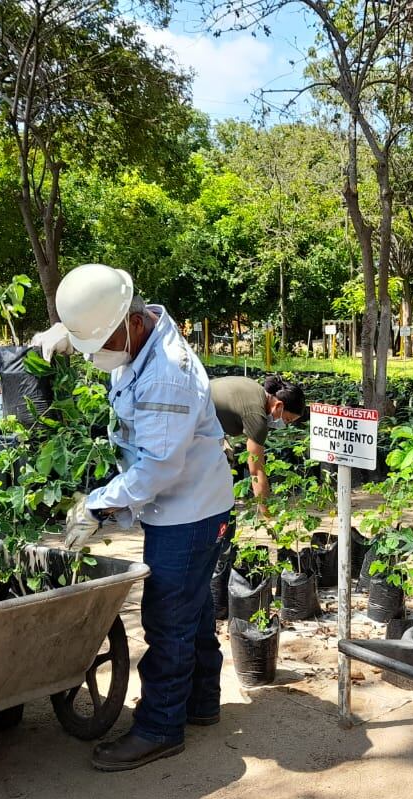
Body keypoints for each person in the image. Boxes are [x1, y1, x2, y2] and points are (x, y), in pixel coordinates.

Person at [32, 264, 235, 770]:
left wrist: (99, 502)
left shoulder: (168, 374)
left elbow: (157, 469)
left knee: (168, 616)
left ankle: (160, 727)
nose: (95, 355)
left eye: (98, 342)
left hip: (185, 510)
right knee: (194, 608)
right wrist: (68, 331)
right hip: (200, 502)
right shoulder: (137, 330)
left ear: (130, 325)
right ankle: (201, 703)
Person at [210, 374, 307, 505]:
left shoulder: (255, 389)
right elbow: (256, 472)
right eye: (287, 420)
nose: (284, 424)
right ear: (278, 406)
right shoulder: (256, 416)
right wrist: (268, 516)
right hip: (190, 420)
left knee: (225, 458)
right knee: (217, 469)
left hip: (199, 416)